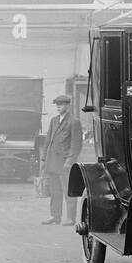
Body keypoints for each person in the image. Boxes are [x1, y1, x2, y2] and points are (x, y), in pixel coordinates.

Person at [41, 94, 82, 226]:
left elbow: (76, 145)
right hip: (53, 162)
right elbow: (48, 141)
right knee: (55, 191)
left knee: (68, 191)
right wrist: (43, 159)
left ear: (68, 106)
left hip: (65, 163)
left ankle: (70, 218)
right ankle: (55, 216)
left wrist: (69, 162)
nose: (59, 107)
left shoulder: (74, 122)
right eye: (57, 104)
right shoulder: (54, 120)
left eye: (62, 104)